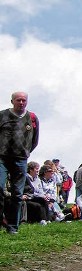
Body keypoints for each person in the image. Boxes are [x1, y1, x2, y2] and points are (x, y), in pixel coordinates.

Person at [0, 91, 39, 234]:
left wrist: (26, 151)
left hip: (21, 159)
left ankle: (12, 226)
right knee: (0, 186)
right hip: (2, 157)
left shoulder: (32, 118)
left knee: (17, 193)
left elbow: (35, 140)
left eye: (23, 100)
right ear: (12, 101)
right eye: (18, 100)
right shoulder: (2, 115)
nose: (21, 103)